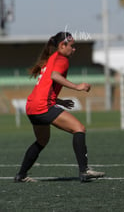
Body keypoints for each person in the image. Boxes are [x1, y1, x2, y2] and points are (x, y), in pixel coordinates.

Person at [14, 31, 105, 183]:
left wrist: (60, 101)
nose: (74, 49)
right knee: (79, 128)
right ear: (62, 45)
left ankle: (21, 175)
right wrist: (77, 87)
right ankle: (84, 171)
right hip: (43, 106)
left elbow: (46, 86)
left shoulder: (52, 59)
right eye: (72, 46)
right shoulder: (62, 58)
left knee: (42, 141)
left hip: (32, 106)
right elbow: (55, 76)